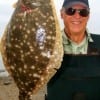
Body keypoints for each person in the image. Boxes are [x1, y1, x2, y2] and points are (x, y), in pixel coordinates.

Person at [45, 0, 100, 100]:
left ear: (88, 16)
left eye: (83, 12)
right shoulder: (47, 45)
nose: (77, 16)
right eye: (71, 10)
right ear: (62, 14)